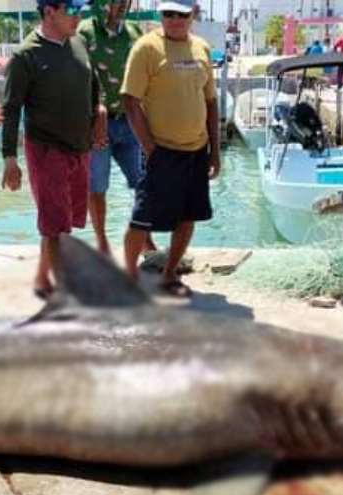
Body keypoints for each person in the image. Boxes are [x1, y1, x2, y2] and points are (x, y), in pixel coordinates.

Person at [1, 0, 103, 300]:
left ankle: (43, 279)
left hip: (79, 147)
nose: (79, 16)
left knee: (63, 222)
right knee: (56, 226)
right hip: (46, 149)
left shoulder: (80, 42)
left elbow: (92, 83)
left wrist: (98, 113)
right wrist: (10, 159)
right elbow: (11, 110)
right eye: (71, 10)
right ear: (49, 12)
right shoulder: (25, 55)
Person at [120, 0, 220, 297]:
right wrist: (150, 148)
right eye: (168, 13)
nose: (174, 19)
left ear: (194, 16)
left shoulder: (202, 48)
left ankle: (168, 273)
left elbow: (211, 102)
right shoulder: (146, 48)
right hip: (160, 150)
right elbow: (130, 101)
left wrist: (215, 151)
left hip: (197, 149)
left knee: (189, 216)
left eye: (181, 14)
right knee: (141, 218)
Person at [78, 0, 155, 256]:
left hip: (131, 120)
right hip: (96, 125)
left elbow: (147, 75)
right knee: (97, 187)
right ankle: (102, 243)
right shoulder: (84, 32)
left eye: (125, 0)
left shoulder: (134, 32)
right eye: (114, 0)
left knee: (144, 183)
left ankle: (145, 239)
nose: (120, 5)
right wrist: (93, 110)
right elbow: (77, 77)